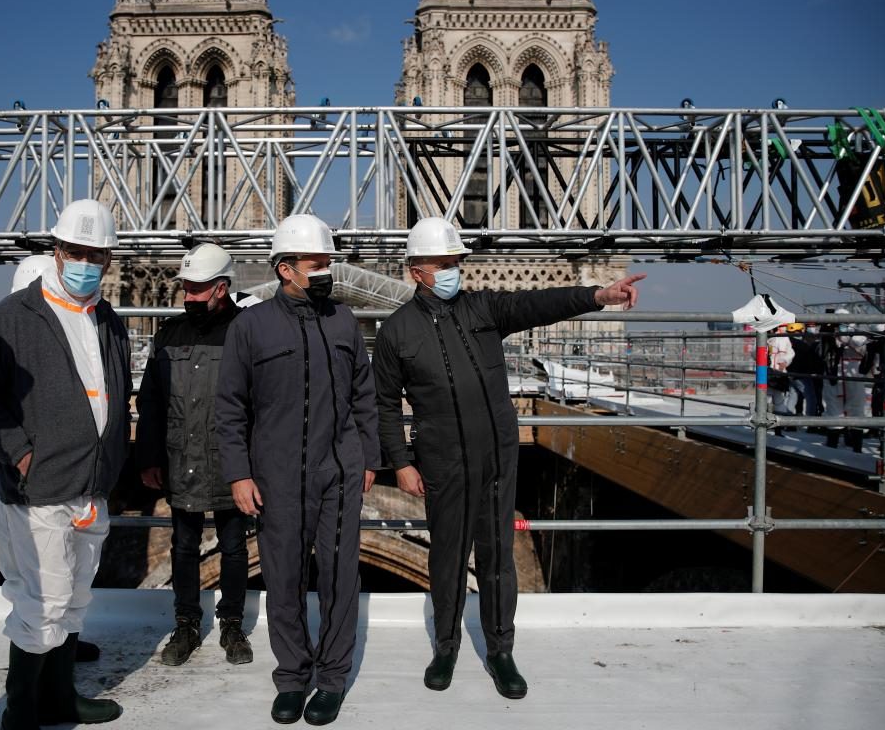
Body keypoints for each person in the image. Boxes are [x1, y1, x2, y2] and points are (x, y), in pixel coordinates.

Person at [372, 217, 645, 700]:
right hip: (441, 460)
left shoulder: (483, 308)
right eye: (443, 264)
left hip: (497, 456)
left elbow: (536, 304)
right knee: (447, 557)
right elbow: (385, 404)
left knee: (498, 556)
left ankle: (500, 651)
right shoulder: (397, 331)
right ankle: (446, 648)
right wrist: (402, 463)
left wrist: (596, 296)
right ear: (417, 272)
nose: (453, 270)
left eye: (456, 262)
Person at [0, 200, 131, 728]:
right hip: (40, 486)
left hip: (91, 484)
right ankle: (21, 710)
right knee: (44, 602)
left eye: (96, 255)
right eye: (76, 251)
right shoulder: (14, 317)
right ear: (57, 251)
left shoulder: (108, 320)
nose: (86, 263)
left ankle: (59, 697)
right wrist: (22, 451)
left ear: (108, 259)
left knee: (75, 596)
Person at [215, 215, 380, 726]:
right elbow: (230, 407)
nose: (327, 271)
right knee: (283, 577)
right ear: (286, 269)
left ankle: (331, 678)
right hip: (277, 476)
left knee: (339, 576)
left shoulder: (344, 320)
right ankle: (292, 677)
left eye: (328, 262)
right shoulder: (251, 327)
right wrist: (239, 473)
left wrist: (368, 456)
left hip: (339, 472)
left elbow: (364, 394)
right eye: (317, 263)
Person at [136, 243, 254, 667]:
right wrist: (148, 456)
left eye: (197, 288)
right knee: (183, 546)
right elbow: (150, 400)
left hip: (230, 461)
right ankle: (185, 624)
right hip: (180, 456)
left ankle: (232, 624)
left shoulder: (247, 331)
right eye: (186, 287)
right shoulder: (169, 333)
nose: (188, 296)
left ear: (221, 288)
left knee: (234, 545)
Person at [820, 309, 869, 452]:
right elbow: (822, 352)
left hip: (854, 377)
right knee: (833, 411)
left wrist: (848, 336)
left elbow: (863, 348)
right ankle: (831, 446)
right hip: (833, 377)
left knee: (856, 410)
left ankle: (856, 447)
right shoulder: (829, 336)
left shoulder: (858, 334)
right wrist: (832, 335)